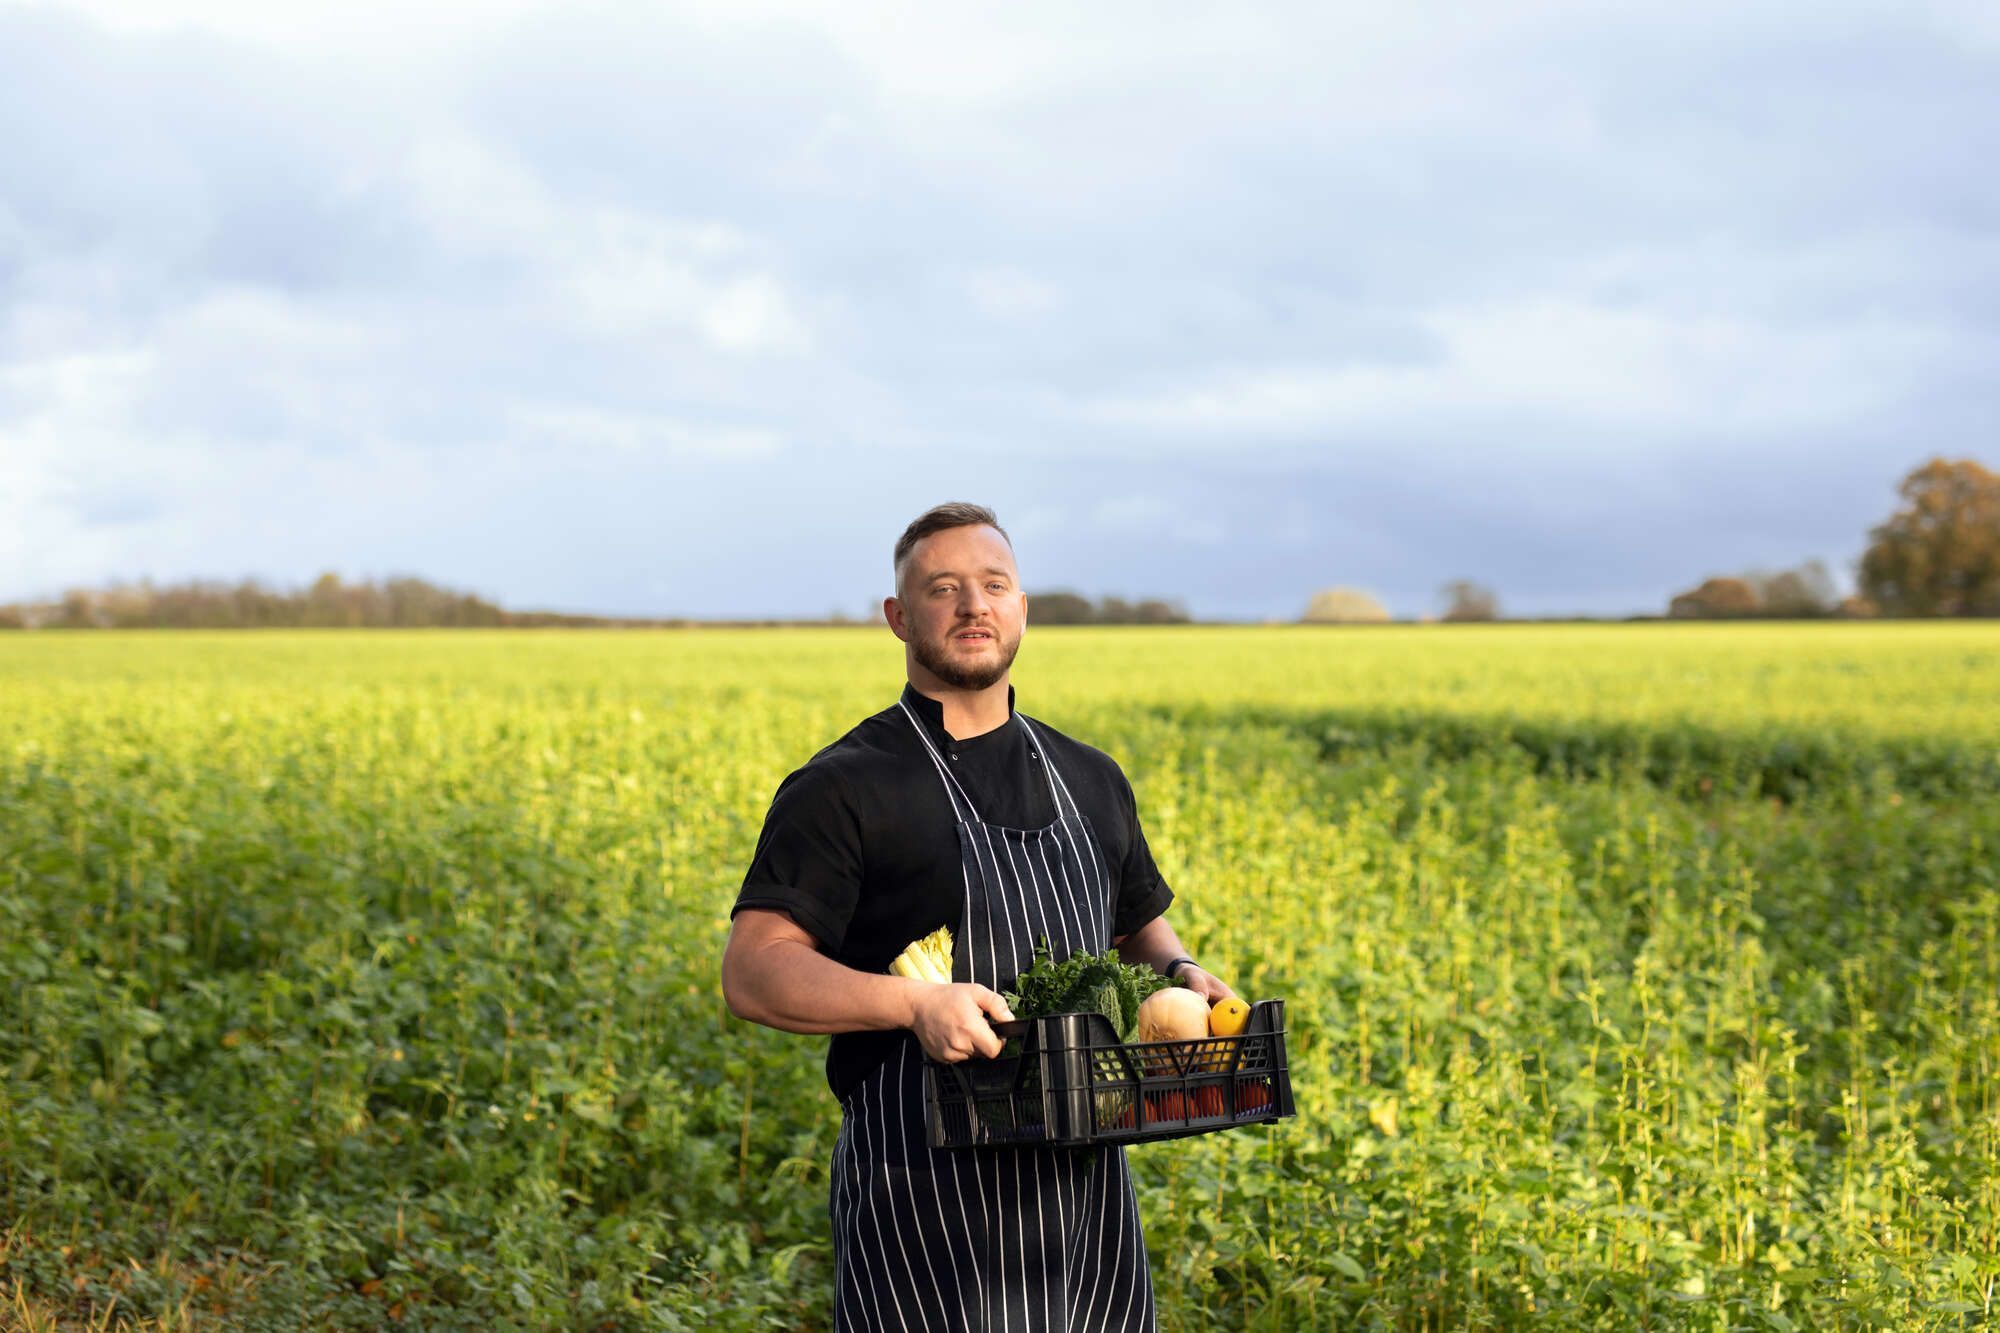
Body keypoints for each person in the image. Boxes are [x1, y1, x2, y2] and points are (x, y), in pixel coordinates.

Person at [721, 501, 1234, 1332]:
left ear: (1022, 608)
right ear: (898, 616)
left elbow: (1135, 924)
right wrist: (914, 1004)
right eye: (943, 587)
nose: (973, 605)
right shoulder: (846, 785)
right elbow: (753, 968)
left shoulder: (1090, 776)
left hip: (1087, 1202)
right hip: (923, 1200)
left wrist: (1177, 972)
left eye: (994, 584)